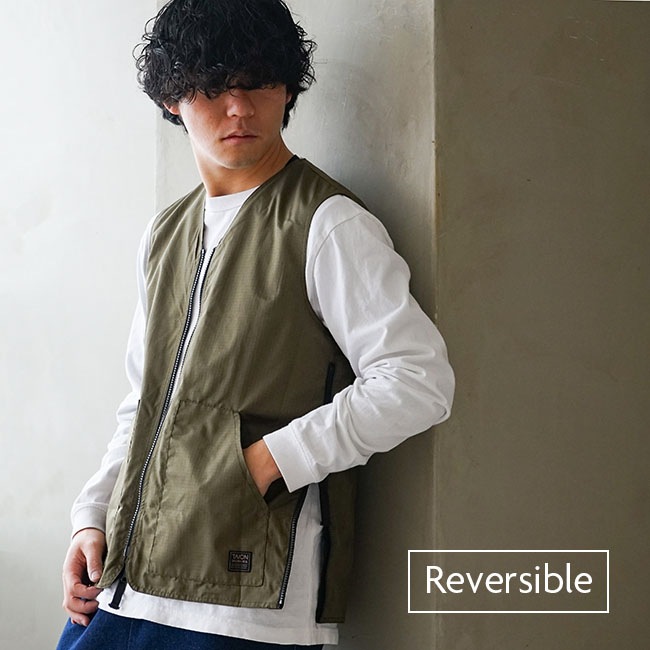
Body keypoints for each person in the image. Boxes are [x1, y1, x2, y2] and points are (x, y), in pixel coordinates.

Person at [57, 0, 455, 648]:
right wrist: (91, 515)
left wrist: (268, 462)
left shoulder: (328, 223)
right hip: (128, 585)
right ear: (172, 98)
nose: (239, 108)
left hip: (246, 607)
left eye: (259, 84)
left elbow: (418, 381)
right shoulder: (166, 233)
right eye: (215, 87)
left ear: (287, 89)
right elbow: (144, 400)